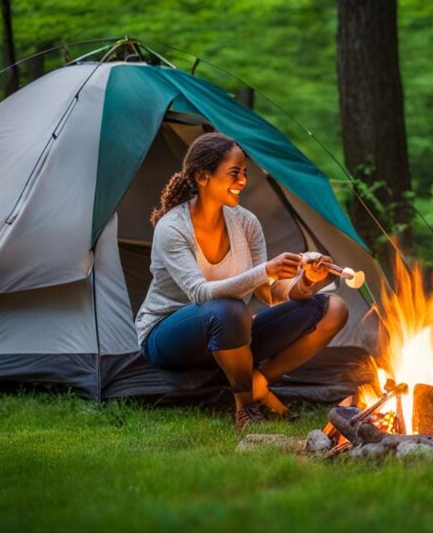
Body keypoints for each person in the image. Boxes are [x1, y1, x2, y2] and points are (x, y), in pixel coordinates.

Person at [136, 132, 349, 430]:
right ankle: (245, 407)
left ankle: (259, 382)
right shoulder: (172, 228)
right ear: (202, 176)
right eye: (234, 173)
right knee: (228, 309)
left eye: (245, 173)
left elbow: (269, 293)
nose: (242, 181)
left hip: (232, 332)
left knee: (333, 307)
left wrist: (305, 283)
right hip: (169, 337)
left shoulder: (245, 222)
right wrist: (266, 269)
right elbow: (200, 293)